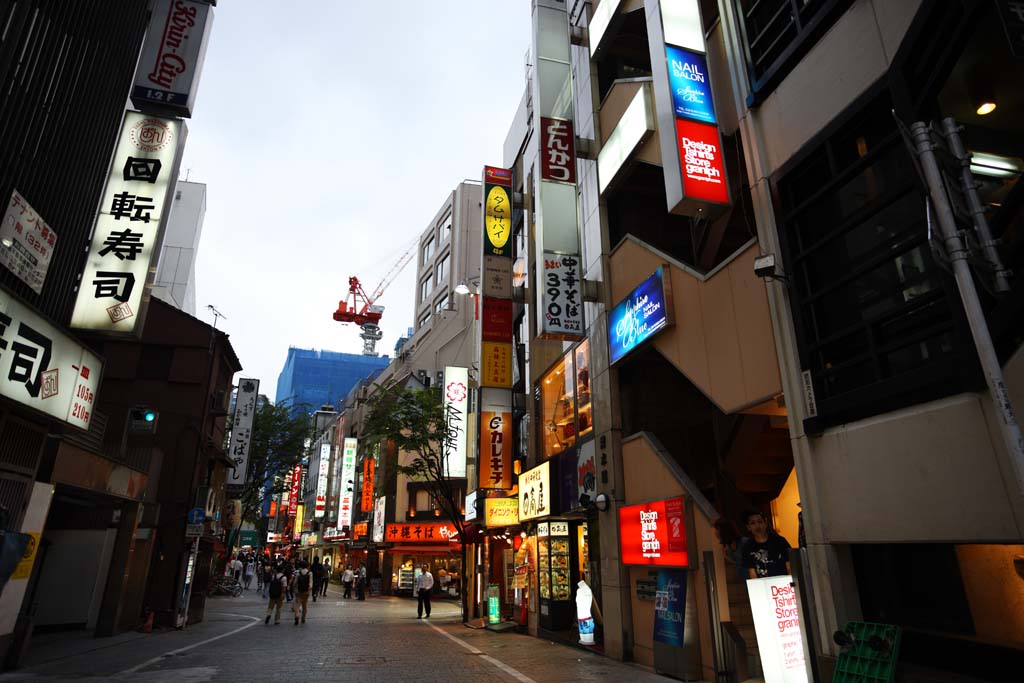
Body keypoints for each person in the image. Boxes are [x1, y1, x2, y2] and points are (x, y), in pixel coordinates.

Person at [740, 509, 792, 579]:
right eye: (753, 523)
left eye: (760, 522)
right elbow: (752, 572)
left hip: (782, 585)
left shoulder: (780, 541)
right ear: (748, 527)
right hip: (763, 585)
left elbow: (789, 565)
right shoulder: (748, 546)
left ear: (765, 523)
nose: (757, 526)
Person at [292, 560, 312, 625]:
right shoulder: (310, 573)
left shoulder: (298, 573)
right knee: (305, 606)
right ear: (307, 566)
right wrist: (309, 591)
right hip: (306, 592)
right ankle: (303, 618)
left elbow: (295, 583)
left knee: (297, 605)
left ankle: (297, 616)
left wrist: (294, 589)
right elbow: (311, 584)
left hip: (299, 591)